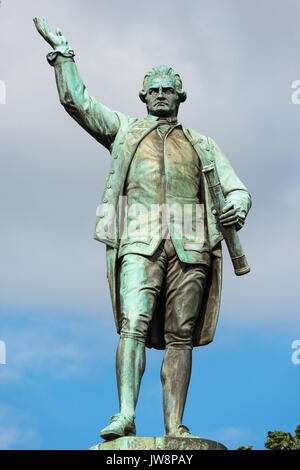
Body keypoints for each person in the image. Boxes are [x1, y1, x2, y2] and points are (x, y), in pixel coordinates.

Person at [33, 17, 252, 440]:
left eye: (168, 90)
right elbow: (79, 103)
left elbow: (237, 188)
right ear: (142, 96)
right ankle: (125, 414)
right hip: (138, 239)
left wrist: (237, 209)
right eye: (153, 90)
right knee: (132, 323)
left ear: (181, 96)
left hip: (191, 245)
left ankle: (175, 426)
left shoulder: (202, 143)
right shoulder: (125, 131)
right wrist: (64, 56)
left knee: (180, 336)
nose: (160, 95)